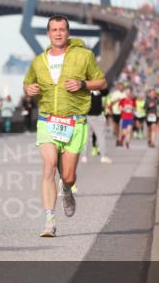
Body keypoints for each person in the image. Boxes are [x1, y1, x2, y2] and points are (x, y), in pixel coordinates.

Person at [23, 16, 106, 238]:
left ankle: (67, 189)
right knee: (49, 166)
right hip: (47, 120)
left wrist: (83, 84)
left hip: (74, 122)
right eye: (54, 30)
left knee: (68, 176)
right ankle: (49, 221)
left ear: (67, 32)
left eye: (62, 29)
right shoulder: (39, 61)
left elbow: (101, 82)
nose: (58, 33)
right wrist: (28, 89)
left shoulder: (84, 56)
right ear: (48, 34)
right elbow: (28, 83)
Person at [82, 89, 112, 164]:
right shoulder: (99, 89)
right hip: (97, 115)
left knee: (85, 137)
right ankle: (103, 156)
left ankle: (84, 156)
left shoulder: (86, 88)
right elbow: (106, 91)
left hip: (87, 115)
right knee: (101, 137)